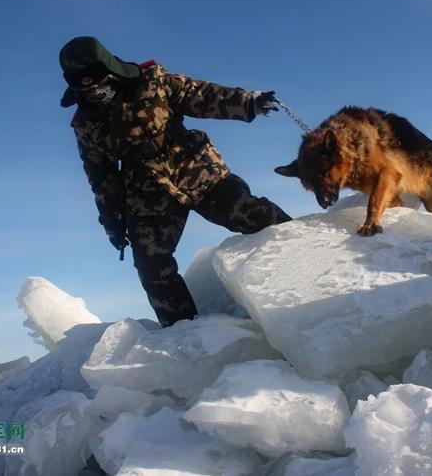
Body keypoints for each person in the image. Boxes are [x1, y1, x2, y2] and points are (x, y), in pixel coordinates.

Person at [59, 36, 292, 327]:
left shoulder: (153, 80)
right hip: (146, 193)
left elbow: (202, 95)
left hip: (195, 168)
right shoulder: (85, 125)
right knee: (151, 266)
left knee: (254, 215)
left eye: (100, 84)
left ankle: (313, 256)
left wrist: (249, 102)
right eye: (86, 89)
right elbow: (101, 178)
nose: (95, 93)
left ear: (111, 71)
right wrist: (113, 224)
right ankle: (185, 335)